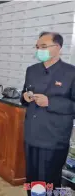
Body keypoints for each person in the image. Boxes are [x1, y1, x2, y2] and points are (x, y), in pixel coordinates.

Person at [21, 32, 75, 194]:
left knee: (49, 181)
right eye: (37, 47)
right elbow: (24, 94)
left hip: (54, 138)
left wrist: (50, 102)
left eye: (43, 47)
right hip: (31, 135)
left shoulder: (71, 73)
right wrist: (24, 97)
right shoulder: (31, 70)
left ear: (57, 48)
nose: (39, 51)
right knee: (32, 178)